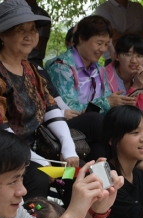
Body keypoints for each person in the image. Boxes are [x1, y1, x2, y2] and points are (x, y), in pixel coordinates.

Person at [0, 0, 79, 200]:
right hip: (8, 151)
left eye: (33, 29)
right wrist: (40, 162)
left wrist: (68, 148)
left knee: (79, 173)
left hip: (40, 144)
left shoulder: (30, 67)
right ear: (2, 34)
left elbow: (49, 105)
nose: (29, 36)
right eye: (20, 30)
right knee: (40, 176)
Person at [46, 15, 129, 161]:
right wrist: (106, 103)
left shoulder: (99, 68)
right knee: (93, 119)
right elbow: (72, 110)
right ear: (82, 38)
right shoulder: (61, 67)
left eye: (106, 44)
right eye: (99, 43)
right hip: (64, 125)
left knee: (101, 152)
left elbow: (108, 103)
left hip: (94, 131)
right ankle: (138, 160)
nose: (103, 49)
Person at [106, 34, 143, 116]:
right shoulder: (104, 76)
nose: (134, 61)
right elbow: (122, 115)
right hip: (108, 124)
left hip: (136, 125)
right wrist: (136, 87)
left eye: (139, 56)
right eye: (128, 55)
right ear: (116, 56)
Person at [18, 0, 52, 66]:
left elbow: (39, 44)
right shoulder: (16, 14)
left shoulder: (41, 16)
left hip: (33, 61)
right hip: (15, 60)